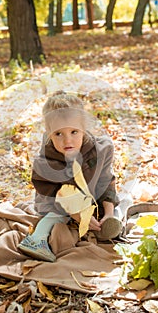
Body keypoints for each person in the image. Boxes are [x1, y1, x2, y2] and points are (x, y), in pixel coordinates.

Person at [18, 91, 122, 262]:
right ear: (49, 133)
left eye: (74, 132)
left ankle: (109, 226)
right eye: (59, 134)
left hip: (89, 198)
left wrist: (108, 212)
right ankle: (36, 239)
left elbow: (106, 181)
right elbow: (55, 194)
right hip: (57, 204)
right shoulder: (46, 162)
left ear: (84, 129)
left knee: (120, 204)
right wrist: (77, 215)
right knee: (58, 216)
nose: (67, 141)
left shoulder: (101, 151)